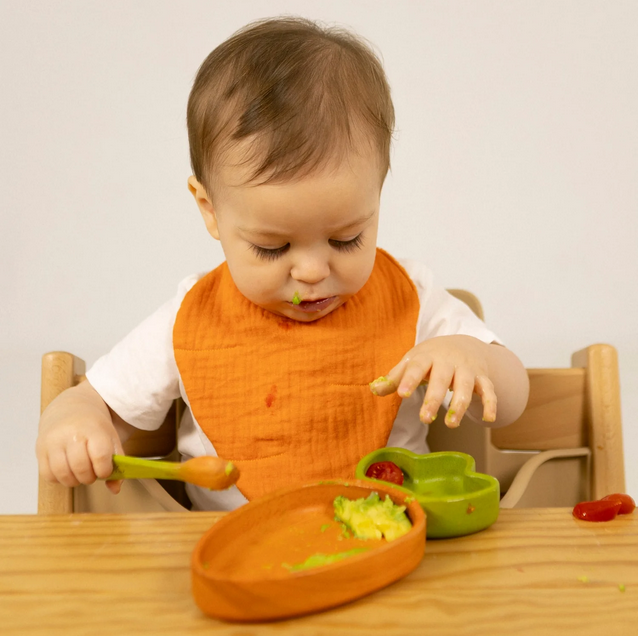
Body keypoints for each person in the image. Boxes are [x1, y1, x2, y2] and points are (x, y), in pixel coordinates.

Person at [36, 17, 529, 510]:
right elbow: (98, 400)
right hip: (232, 556)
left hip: (387, 541)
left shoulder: (411, 299)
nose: (312, 272)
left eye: (346, 238)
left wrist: (474, 359)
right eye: (273, 248)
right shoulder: (193, 318)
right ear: (210, 210)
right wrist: (77, 422)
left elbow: (511, 402)